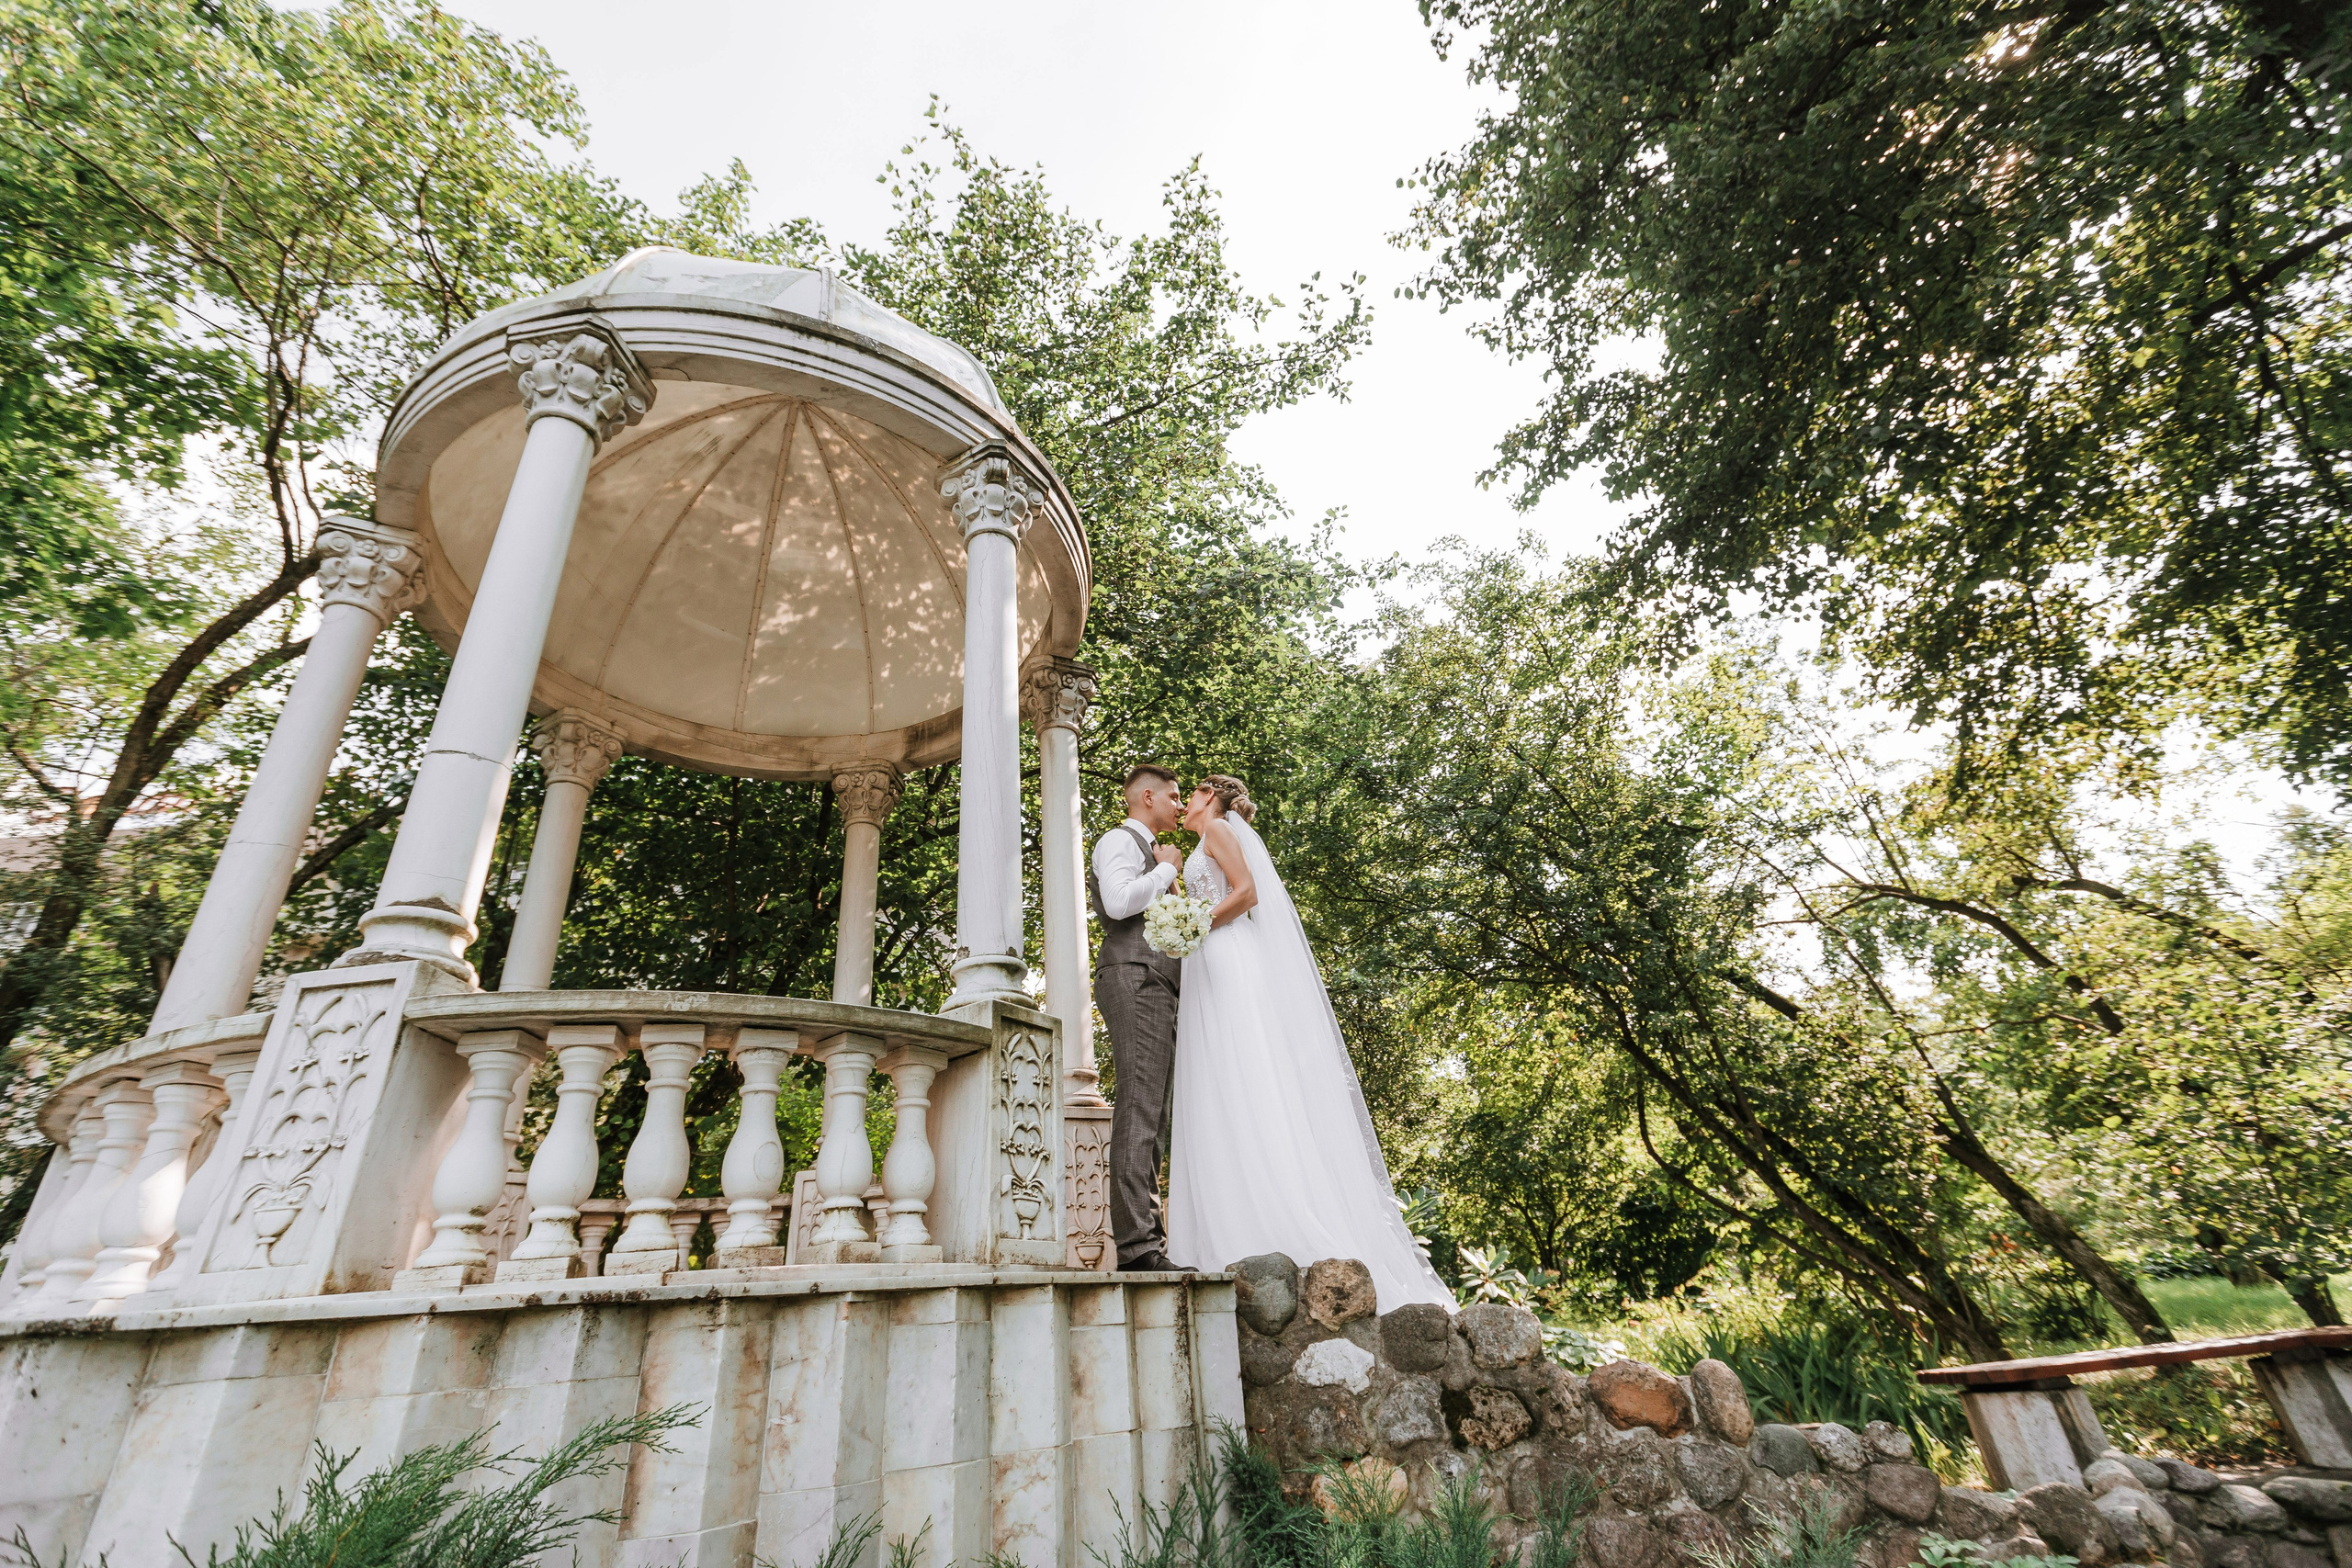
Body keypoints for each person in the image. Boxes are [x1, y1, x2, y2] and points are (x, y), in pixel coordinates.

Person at [1162, 773, 1453, 1310]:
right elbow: (1201, 904)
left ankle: (1270, 1222)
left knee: (1241, 1069)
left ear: (1211, 798)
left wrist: (1195, 924)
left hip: (1228, 956)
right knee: (1216, 1081)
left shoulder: (1219, 830)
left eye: (1193, 793)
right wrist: (1175, 883)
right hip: (1206, 957)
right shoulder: (1199, 845)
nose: (1185, 804)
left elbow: (1246, 893)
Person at [1090, 763, 1191, 1272]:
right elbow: (1117, 902)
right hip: (1135, 977)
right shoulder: (1119, 841)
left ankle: (1147, 1243)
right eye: (1174, 796)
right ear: (1147, 797)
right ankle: (1137, 1251)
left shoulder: (1152, 853)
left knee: (1155, 1115)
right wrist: (1167, 870)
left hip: (1157, 982)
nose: (1180, 805)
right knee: (1139, 1109)